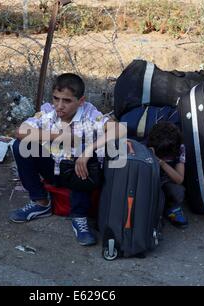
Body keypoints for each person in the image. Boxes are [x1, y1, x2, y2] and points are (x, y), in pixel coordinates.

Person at [9, 73, 124, 246]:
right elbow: (20, 131)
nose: (59, 106)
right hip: (53, 168)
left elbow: (118, 129)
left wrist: (88, 152)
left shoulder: (90, 114)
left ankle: (79, 217)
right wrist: (59, 136)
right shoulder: (48, 110)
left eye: (67, 101)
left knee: (81, 150)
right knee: (20, 145)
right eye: (56, 99)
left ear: (81, 101)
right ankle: (41, 202)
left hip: (78, 173)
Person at [147, 121, 188, 228]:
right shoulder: (147, 146)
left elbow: (179, 179)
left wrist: (161, 162)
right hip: (149, 182)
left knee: (178, 192)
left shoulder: (179, 147)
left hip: (167, 183)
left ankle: (171, 207)